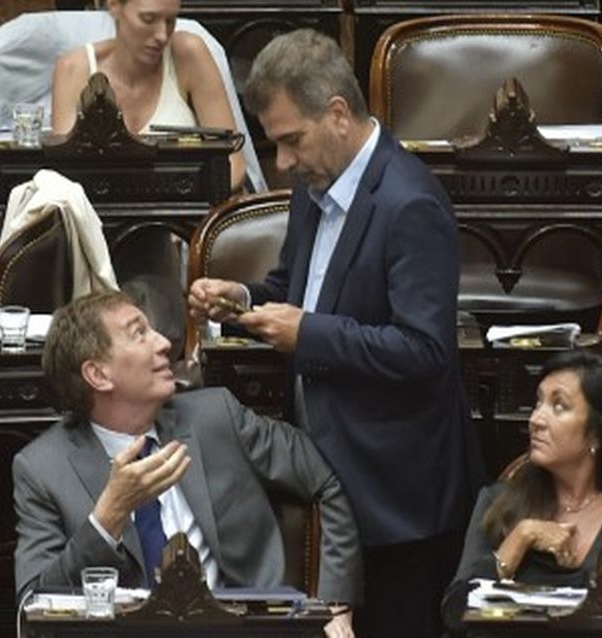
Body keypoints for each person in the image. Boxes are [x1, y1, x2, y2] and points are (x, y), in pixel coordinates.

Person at [187, 29, 483, 638]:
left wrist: (309, 334)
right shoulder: (313, 187)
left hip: (398, 498)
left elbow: (426, 350)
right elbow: (298, 289)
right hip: (327, 479)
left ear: (339, 114)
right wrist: (243, 299)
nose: (283, 162)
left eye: (291, 140)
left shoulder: (410, 205)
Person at [13, 290, 361, 637]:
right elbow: (32, 609)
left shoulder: (218, 416)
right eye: (139, 334)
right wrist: (108, 517)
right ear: (98, 374)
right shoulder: (43, 468)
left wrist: (335, 604)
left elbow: (324, 478)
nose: (164, 343)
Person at [442, 350, 602, 630]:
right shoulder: (499, 502)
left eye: (559, 406)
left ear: (601, 431)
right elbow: (455, 614)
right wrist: (520, 538)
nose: (536, 420)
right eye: (538, 403)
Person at [50, 0, 246, 192]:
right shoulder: (74, 69)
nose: (162, 35)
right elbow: (65, 176)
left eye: (170, 21)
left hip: (193, 207)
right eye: (148, 19)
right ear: (114, 6)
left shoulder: (188, 54)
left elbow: (233, 166)